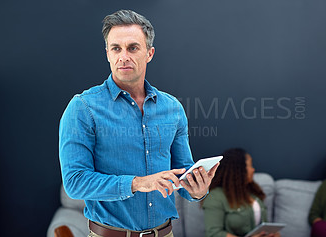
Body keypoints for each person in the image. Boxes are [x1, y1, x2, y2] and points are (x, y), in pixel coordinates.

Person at [59, 9, 219, 237]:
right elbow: (75, 182)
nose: (123, 56)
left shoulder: (172, 108)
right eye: (116, 48)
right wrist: (137, 183)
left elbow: (183, 175)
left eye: (133, 48)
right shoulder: (83, 108)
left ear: (149, 53)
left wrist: (197, 190)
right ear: (107, 54)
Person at [202, 148, 280, 237]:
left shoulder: (253, 193)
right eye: (250, 166)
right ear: (238, 170)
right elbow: (213, 233)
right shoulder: (216, 197)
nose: (253, 169)